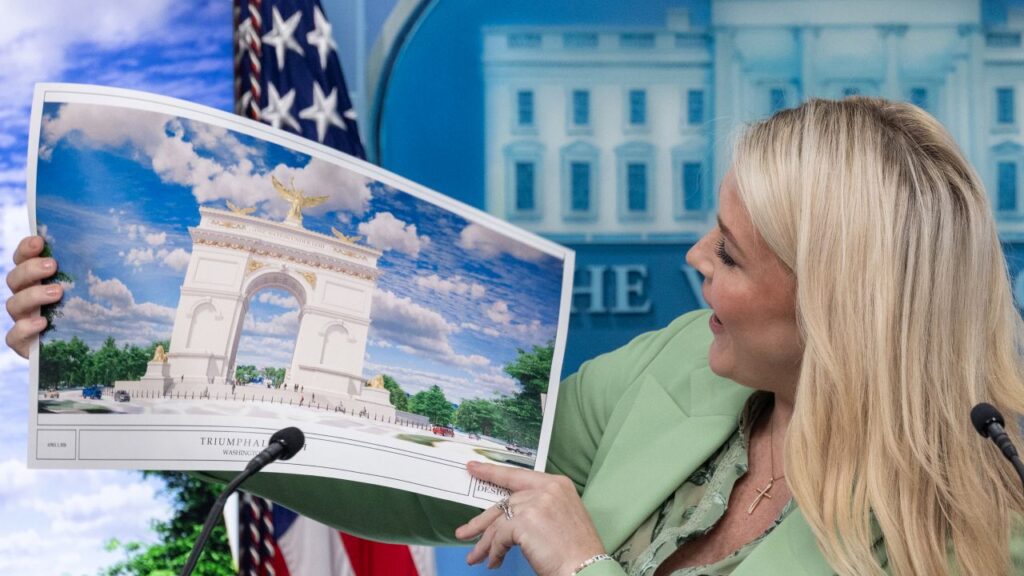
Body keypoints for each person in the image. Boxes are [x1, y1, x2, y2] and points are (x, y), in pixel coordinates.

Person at [7, 97, 1024, 575]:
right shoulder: (672, 365)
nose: (692, 256)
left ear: (841, 308)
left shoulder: (983, 529)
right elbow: (437, 476)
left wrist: (585, 569)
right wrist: (111, 348)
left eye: (733, 253)